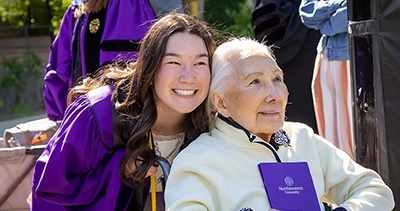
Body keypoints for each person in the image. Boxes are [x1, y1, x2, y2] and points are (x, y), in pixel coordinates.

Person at [164, 38, 394, 211]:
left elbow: (376, 190)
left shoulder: (302, 138)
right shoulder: (197, 163)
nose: (274, 94)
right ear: (221, 102)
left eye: (277, 79)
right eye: (255, 82)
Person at [31, 12, 217, 211]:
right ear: (149, 66)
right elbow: (52, 187)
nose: (188, 77)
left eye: (200, 63)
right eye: (174, 62)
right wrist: (119, 169)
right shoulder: (100, 113)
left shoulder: (216, 120)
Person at [43, 0, 184, 123]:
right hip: (103, 117)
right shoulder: (78, 8)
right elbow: (62, 64)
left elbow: (176, 39)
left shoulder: (81, 7)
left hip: (128, 116)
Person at [299, 0, 354, 159]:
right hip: (324, 56)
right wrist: (338, 5)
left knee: (351, 128)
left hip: (350, 57)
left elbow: (355, 12)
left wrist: (327, 20)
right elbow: (307, 12)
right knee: (328, 126)